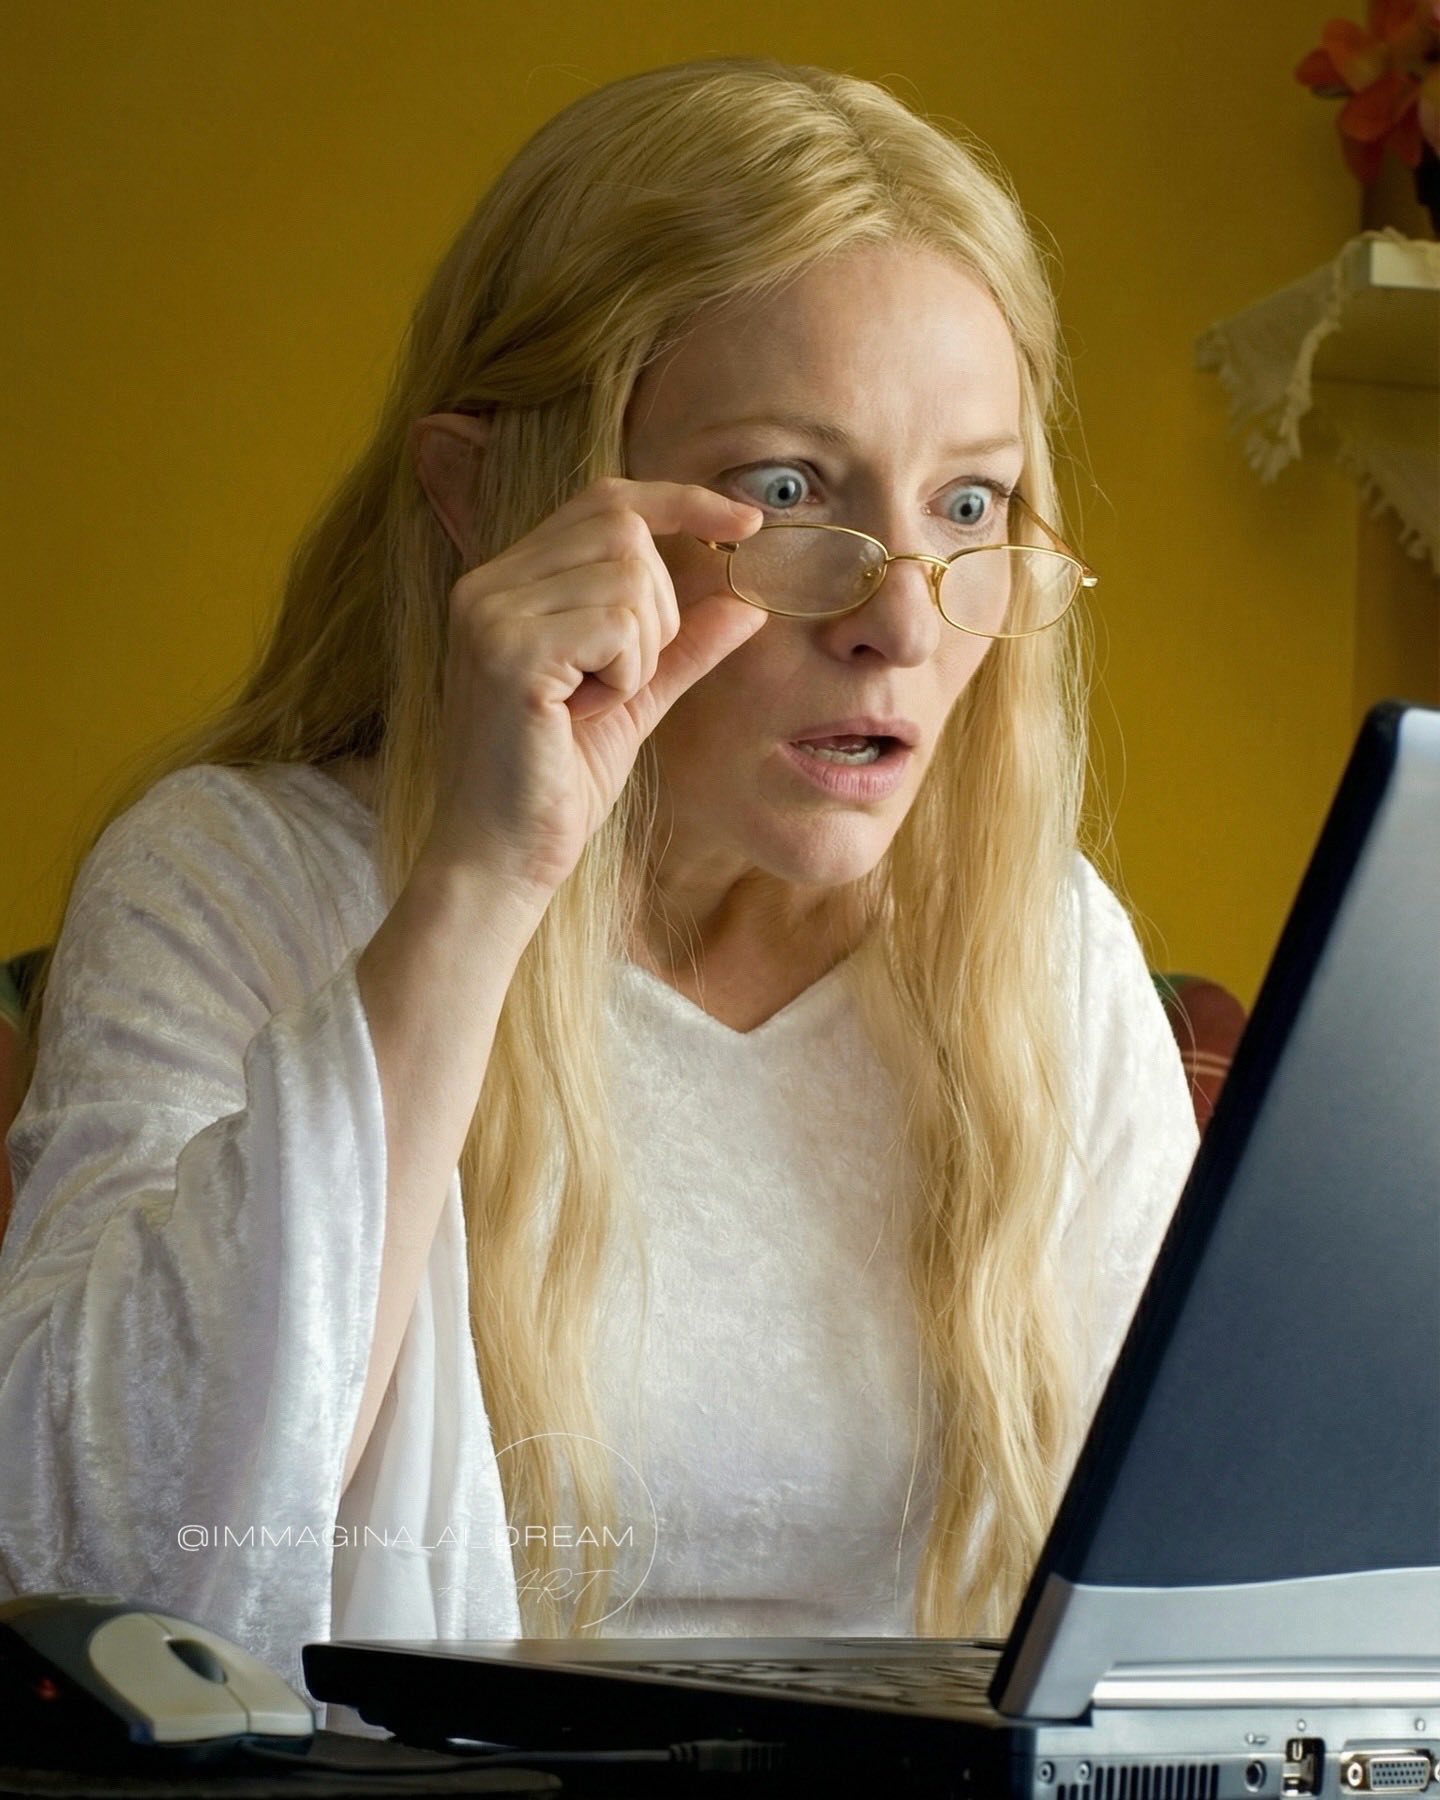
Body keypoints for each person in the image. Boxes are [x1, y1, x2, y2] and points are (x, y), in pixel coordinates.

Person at [0, 55, 1197, 1713]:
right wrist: (485, 882)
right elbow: (97, 1558)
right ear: (487, 495)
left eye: (969, 502)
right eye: (787, 491)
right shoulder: (228, 882)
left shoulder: (1045, 955)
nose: (901, 622)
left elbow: (1199, 1608)